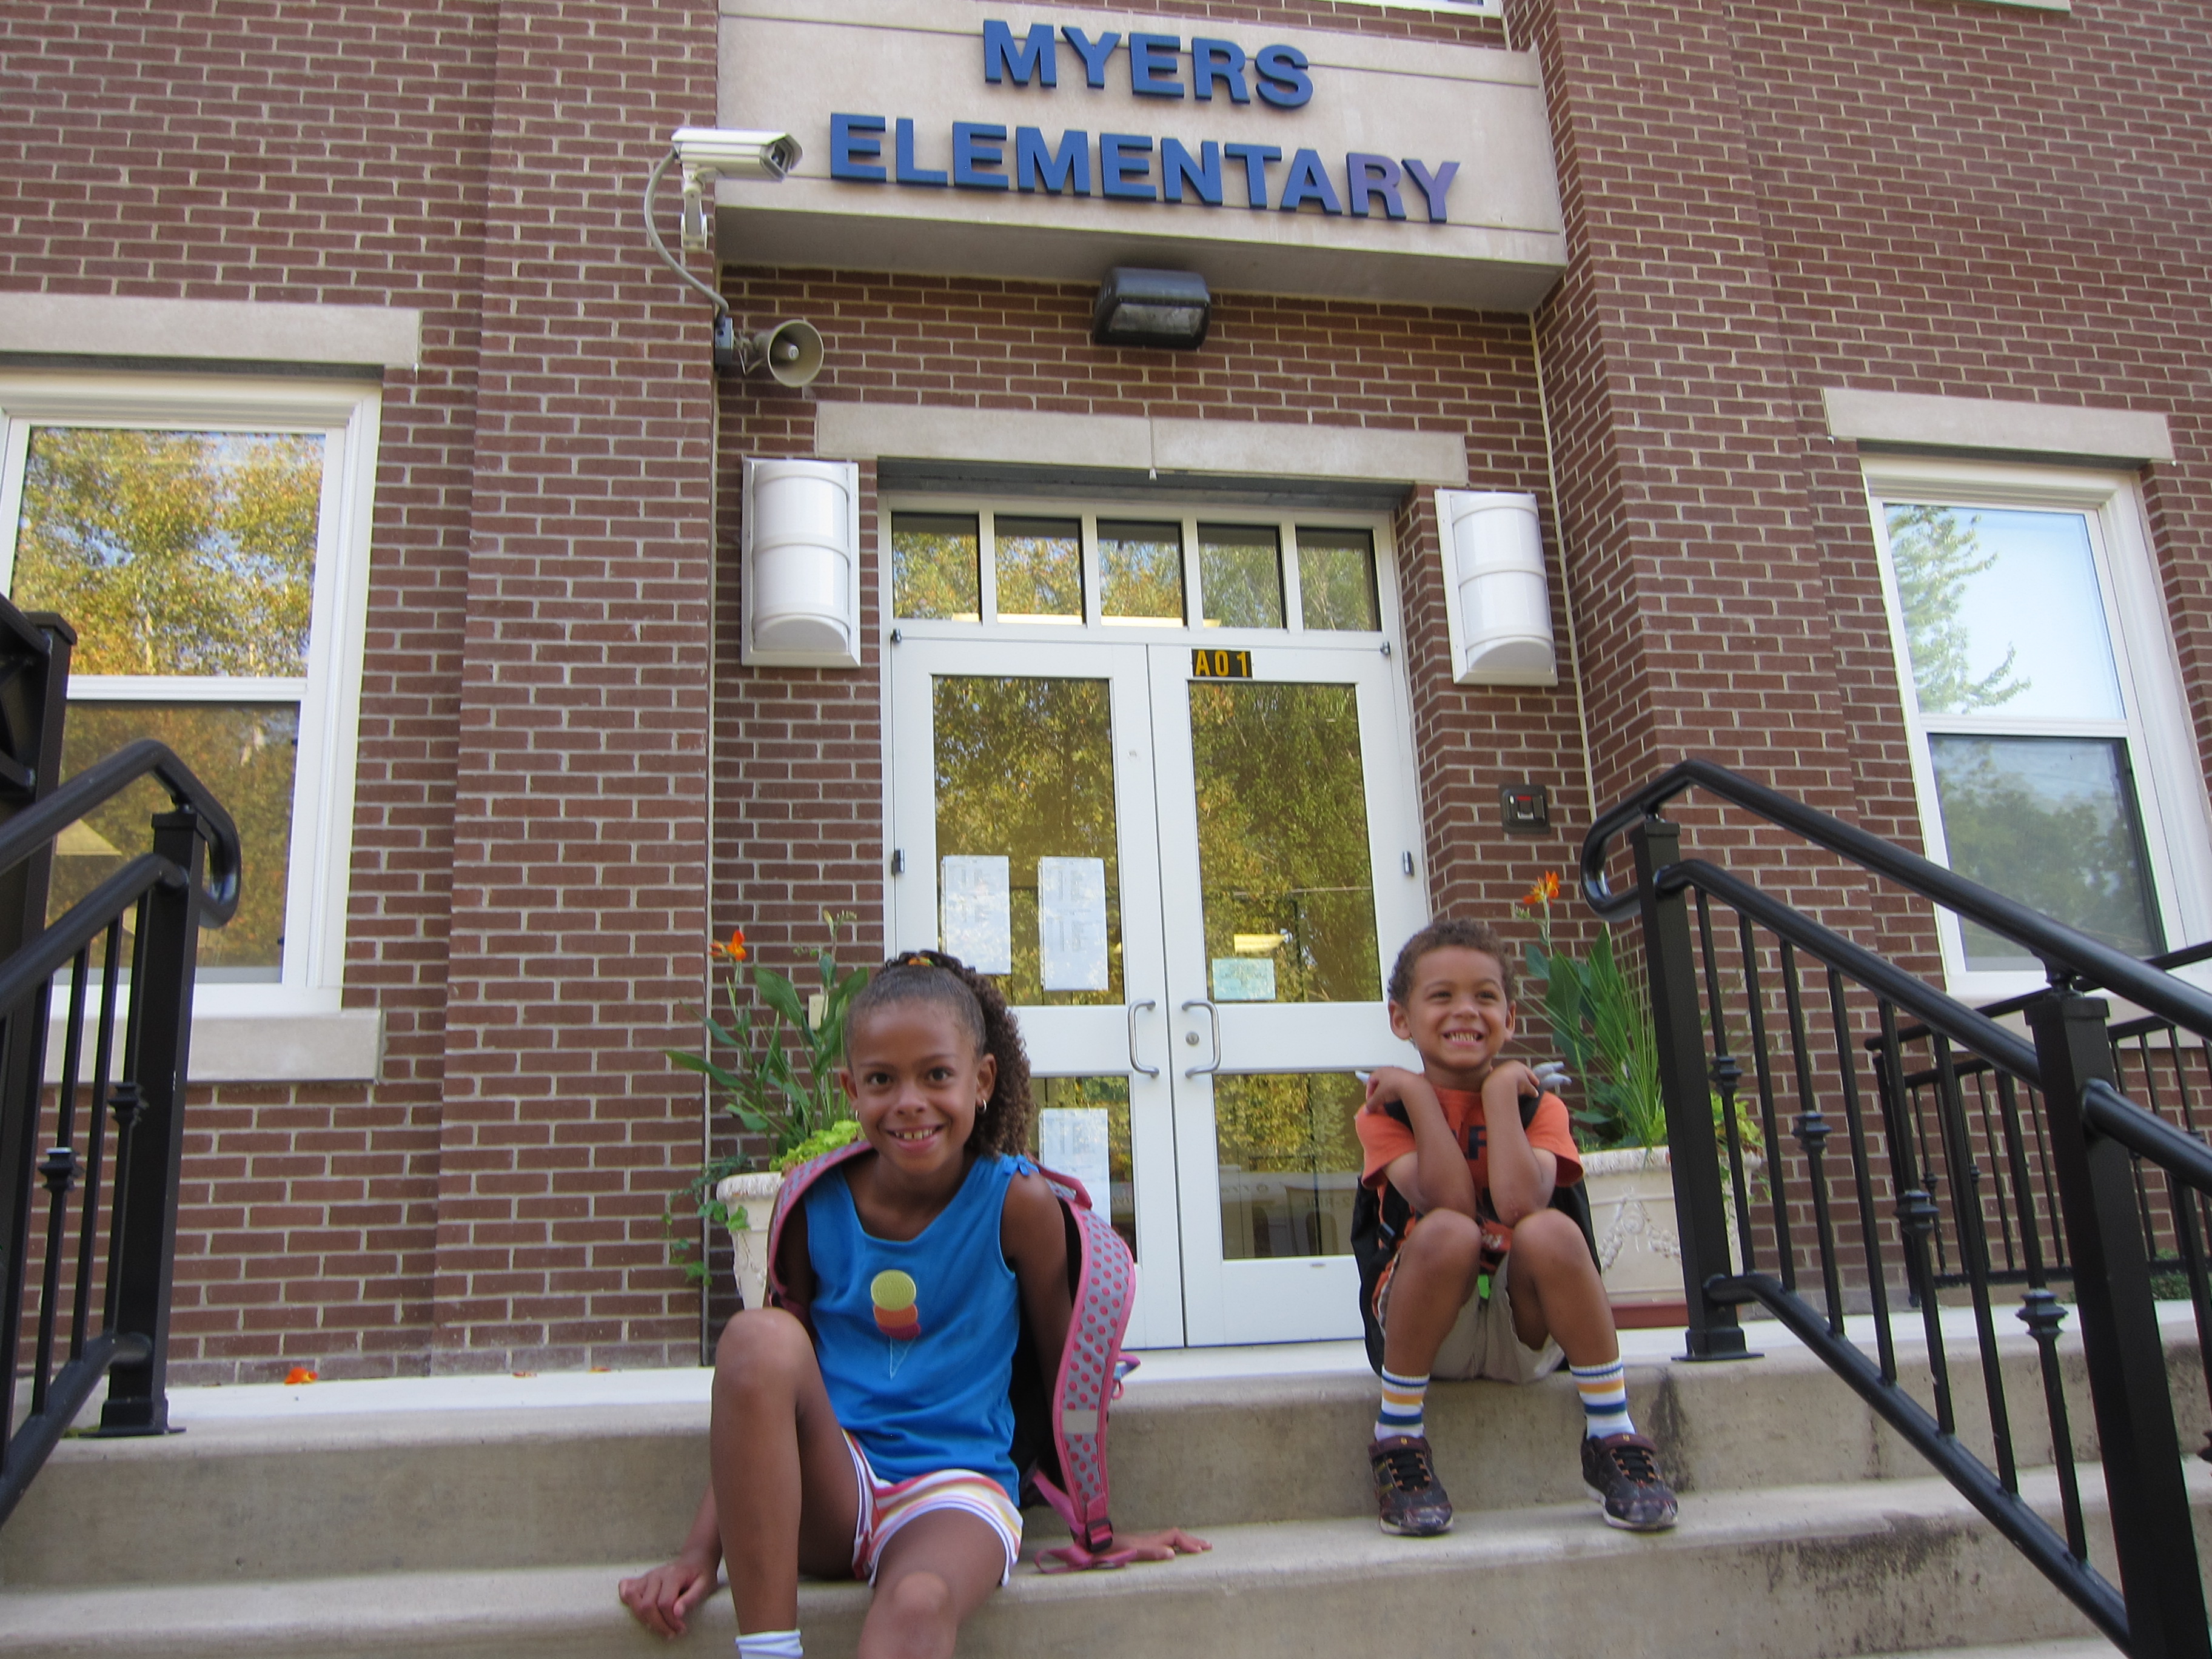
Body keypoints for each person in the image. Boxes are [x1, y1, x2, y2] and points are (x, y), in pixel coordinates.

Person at [620, 950, 1206, 1658]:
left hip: (956, 1495)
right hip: (834, 1487)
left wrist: (1096, 1524)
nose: (909, 1102)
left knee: (919, 1601)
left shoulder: (1018, 1205)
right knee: (756, 1338)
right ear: (850, 1088)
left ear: (981, 1080)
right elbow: (760, 1398)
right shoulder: (811, 1204)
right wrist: (698, 1552)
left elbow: (1068, 1380)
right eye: (881, 1080)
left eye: (936, 1075)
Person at [1356, 917, 1679, 1537]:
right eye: (1442, 995)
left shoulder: (1537, 1106)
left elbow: (1518, 1203)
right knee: (1448, 1232)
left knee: (1551, 1230)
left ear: (1509, 1018)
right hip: (1428, 1335)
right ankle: (1398, 1439)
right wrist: (1420, 1098)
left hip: (1524, 1330)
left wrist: (1501, 1094)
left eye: (1484, 996)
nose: (1465, 1010)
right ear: (1401, 1019)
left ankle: (1611, 1435)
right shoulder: (1386, 1112)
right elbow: (1450, 1202)